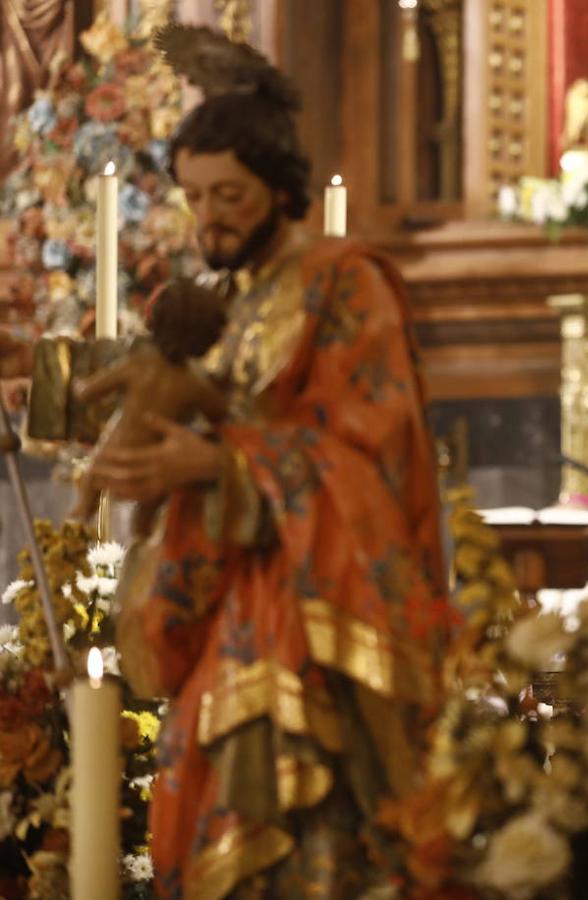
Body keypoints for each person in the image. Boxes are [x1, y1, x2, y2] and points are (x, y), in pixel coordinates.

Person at [2, 24, 454, 897]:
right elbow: (177, 388)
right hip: (229, 606)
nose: (208, 219)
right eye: (195, 197)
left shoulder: (344, 281)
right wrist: (33, 362)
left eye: (231, 197)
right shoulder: (235, 303)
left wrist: (218, 468)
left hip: (312, 621)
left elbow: (376, 446)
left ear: (282, 191)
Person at [69, 278, 229, 537]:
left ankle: (74, 528)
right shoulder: (194, 385)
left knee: (88, 491)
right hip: (153, 464)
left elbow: (88, 391)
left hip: (113, 451)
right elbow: (222, 414)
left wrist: (78, 385)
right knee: (148, 520)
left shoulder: (139, 364)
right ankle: (141, 542)